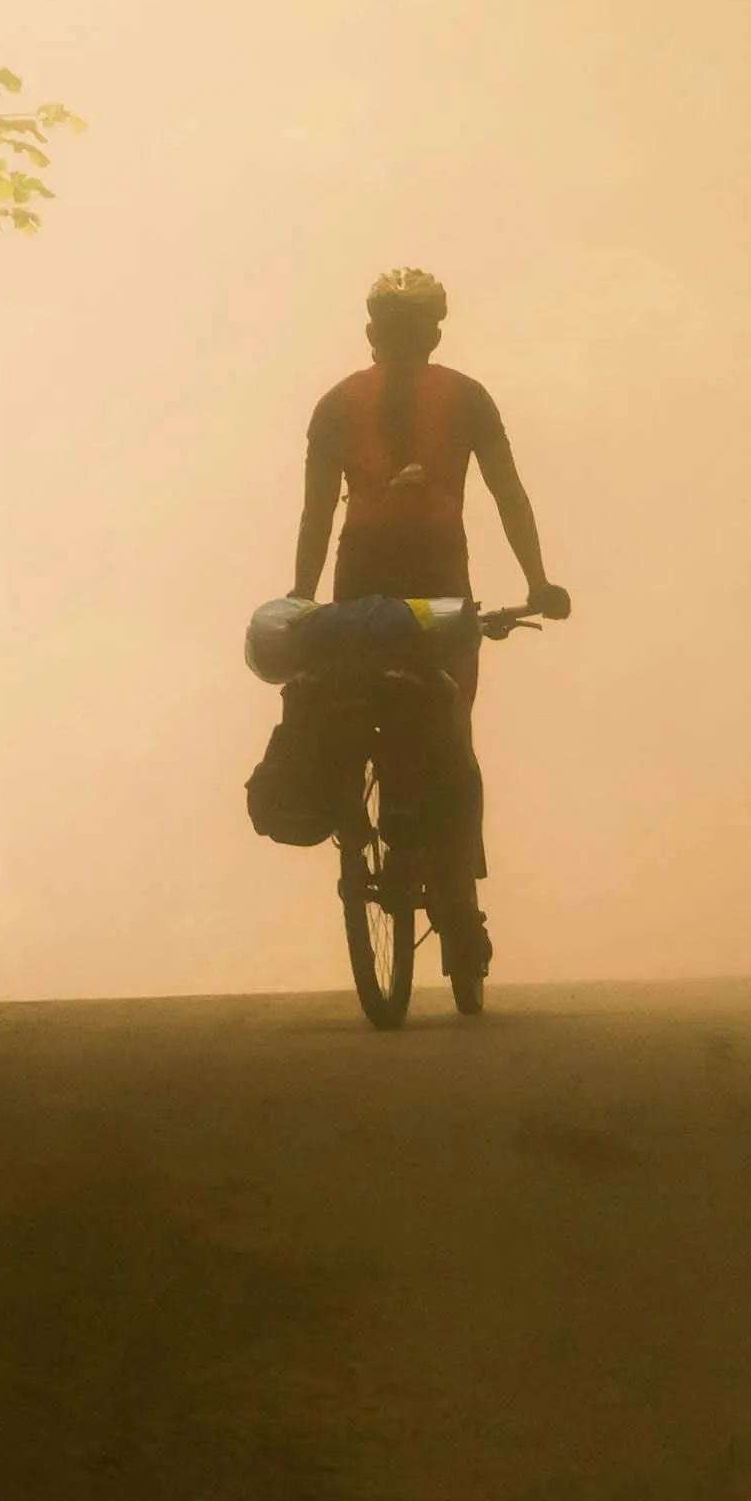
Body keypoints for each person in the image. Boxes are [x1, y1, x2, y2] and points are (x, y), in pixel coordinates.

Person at [291, 266, 567, 1012]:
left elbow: (318, 513)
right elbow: (509, 493)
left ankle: (359, 818)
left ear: (371, 333)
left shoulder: (335, 404)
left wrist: (300, 597)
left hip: (358, 589)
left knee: (351, 702)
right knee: (451, 734)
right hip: (442, 584)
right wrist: (540, 582)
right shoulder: (469, 397)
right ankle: (458, 901)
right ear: (436, 333)